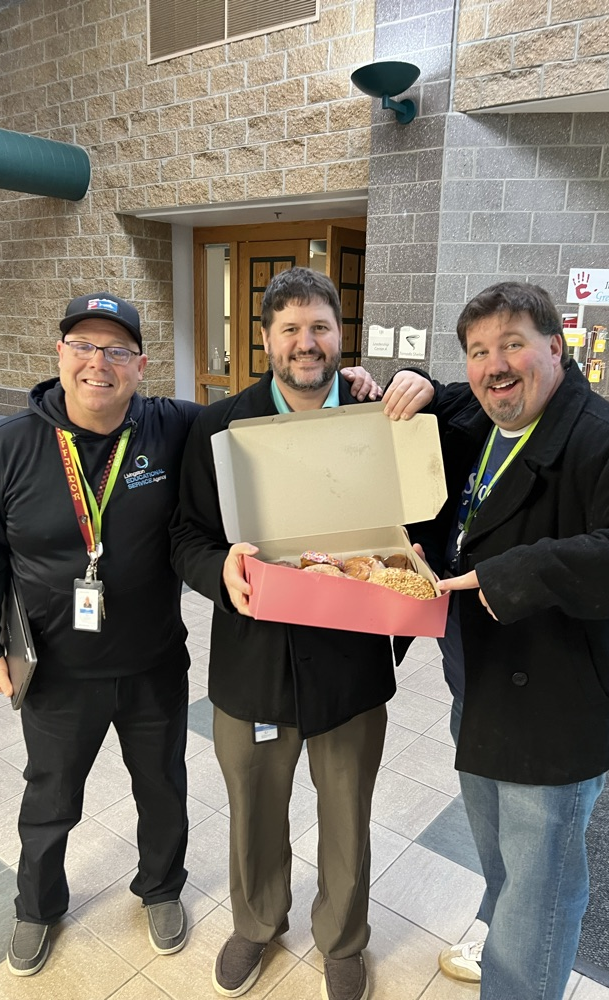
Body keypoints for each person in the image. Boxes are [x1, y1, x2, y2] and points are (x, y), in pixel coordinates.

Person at [0, 289, 380, 979]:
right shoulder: (18, 446)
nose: (100, 363)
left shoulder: (184, 426)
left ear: (141, 365)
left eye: (117, 350)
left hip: (166, 661)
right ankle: (39, 905)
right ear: (60, 354)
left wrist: (378, 379)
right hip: (67, 664)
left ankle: (185, 896)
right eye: (84, 347)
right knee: (51, 796)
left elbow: (417, 423)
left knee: (169, 790)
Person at [382, 281, 609, 1000]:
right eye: (479, 351)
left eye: (512, 344)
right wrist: (413, 379)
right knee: (507, 867)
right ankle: (503, 936)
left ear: (557, 347)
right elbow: (439, 392)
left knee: (542, 888)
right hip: (480, 689)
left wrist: (521, 570)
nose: (494, 366)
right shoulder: (482, 414)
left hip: (556, 709)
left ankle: (520, 977)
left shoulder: (605, 441)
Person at [170, 267, 394, 1000]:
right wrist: (219, 574)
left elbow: (410, 531)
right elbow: (186, 535)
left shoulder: (374, 420)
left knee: (346, 812)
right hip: (253, 661)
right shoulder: (221, 427)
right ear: (266, 340)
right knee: (255, 809)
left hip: (350, 663)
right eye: (291, 329)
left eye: (321, 328)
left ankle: (343, 939)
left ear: (341, 337)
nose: (307, 343)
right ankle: (258, 922)